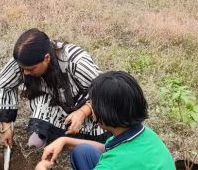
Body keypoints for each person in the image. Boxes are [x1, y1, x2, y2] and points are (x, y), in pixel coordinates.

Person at [0, 28, 107, 150]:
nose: (25, 73)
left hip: (85, 104)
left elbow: (104, 91)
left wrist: (82, 113)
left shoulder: (76, 61)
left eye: (31, 69)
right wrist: (6, 126)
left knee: (97, 139)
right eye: (23, 68)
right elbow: (2, 85)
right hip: (53, 104)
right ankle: (47, 132)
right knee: (39, 126)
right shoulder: (25, 60)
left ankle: (75, 137)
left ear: (46, 58)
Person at [35, 71, 176, 170]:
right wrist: (64, 141)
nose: (91, 108)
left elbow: (115, 160)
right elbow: (108, 149)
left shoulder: (112, 165)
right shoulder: (145, 135)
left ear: (106, 113)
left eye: (93, 104)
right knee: (83, 152)